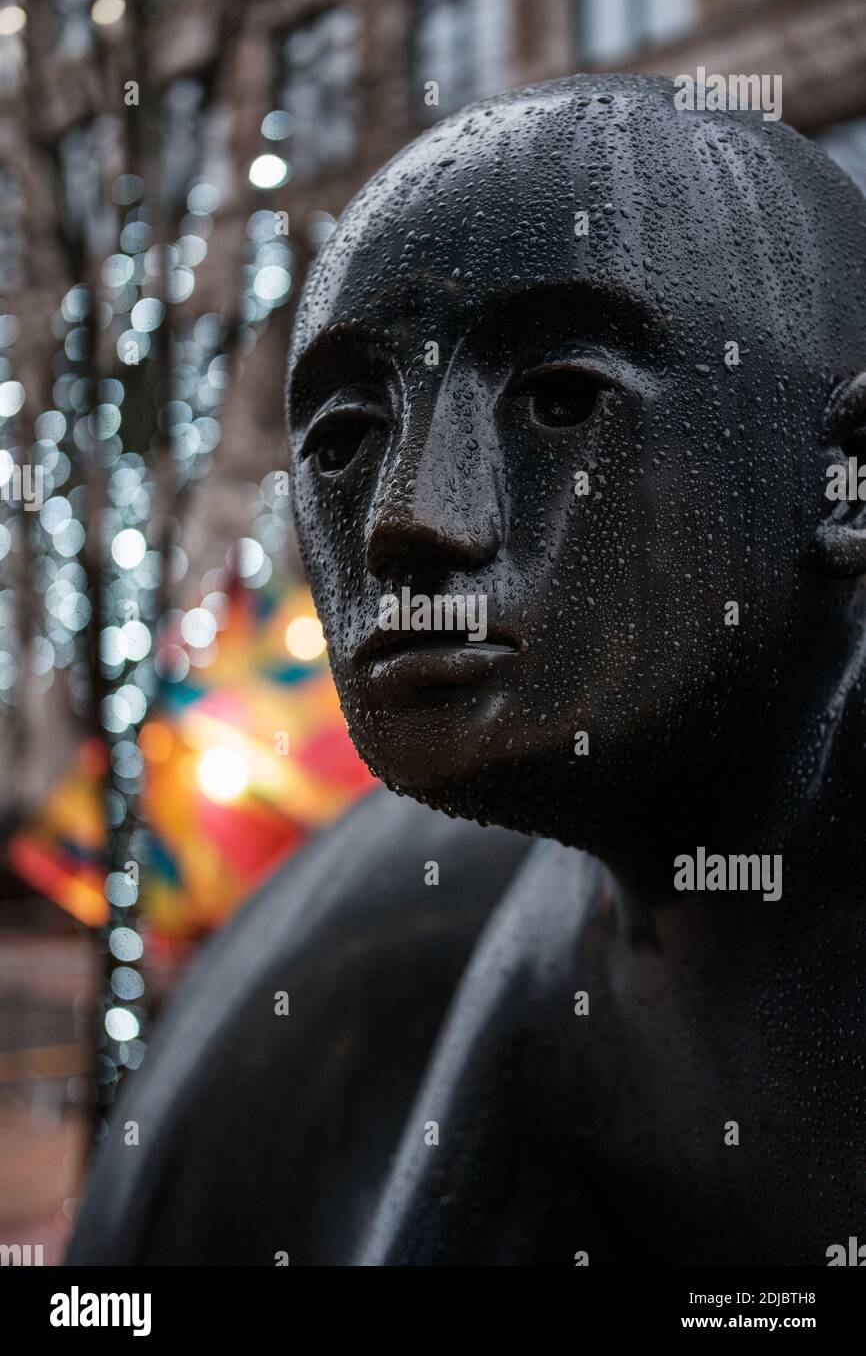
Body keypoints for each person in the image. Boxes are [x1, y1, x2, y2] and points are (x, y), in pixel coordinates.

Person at [69, 73, 866, 1266]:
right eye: (344, 438)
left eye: (559, 404)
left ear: (844, 478)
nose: (406, 519)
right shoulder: (562, 941)